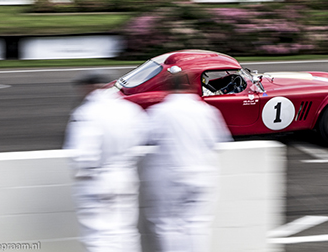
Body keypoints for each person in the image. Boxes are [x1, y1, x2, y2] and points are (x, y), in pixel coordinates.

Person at [142, 71, 232, 252]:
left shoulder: (160, 111)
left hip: (172, 176)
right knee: (197, 225)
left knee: (168, 224)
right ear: (190, 86)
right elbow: (218, 141)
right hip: (203, 176)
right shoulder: (207, 111)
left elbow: (146, 137)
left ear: (167, 87)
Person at [63, 70, 148, 252]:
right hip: (125, 176)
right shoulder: (129, 109)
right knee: (125, 232)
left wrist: (83, 176)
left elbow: (83, 154)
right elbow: (143, 136)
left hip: (98, 180)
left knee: (98, 236)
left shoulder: (87, 112)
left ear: (90, 87)